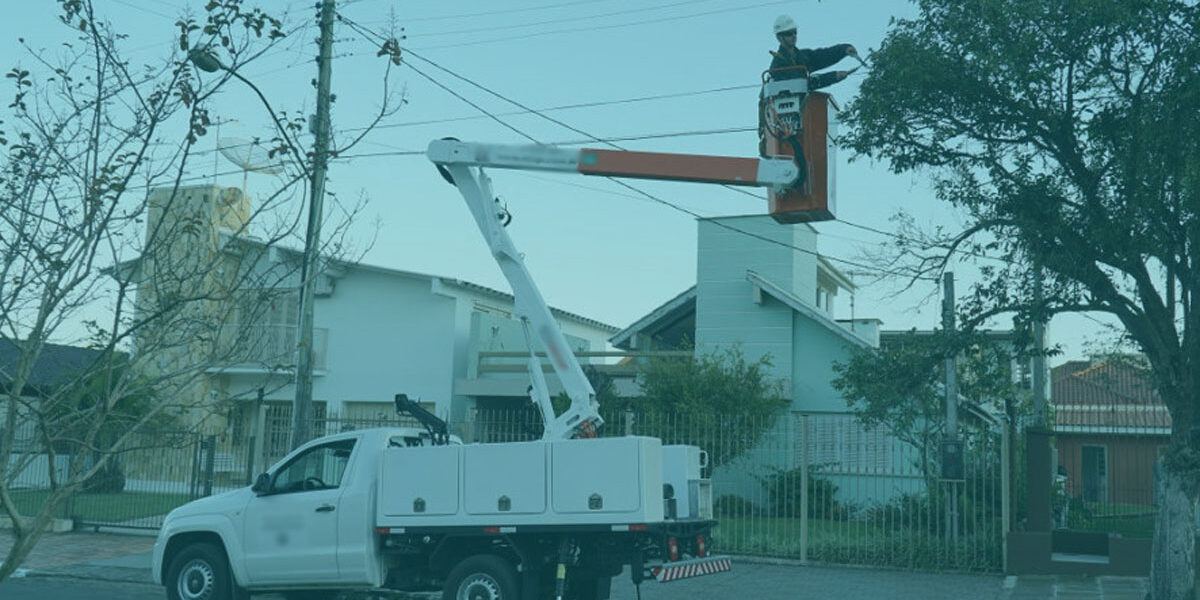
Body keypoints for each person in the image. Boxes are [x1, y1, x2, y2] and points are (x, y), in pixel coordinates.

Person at [767, 14, 857, 89]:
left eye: (795, 32)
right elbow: (800, 84)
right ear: (779, 37)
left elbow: (823, 56)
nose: (794, 36)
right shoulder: (778, 66)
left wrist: (844, 49)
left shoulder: (802, 56)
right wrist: (833, 77)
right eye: (789, 33)